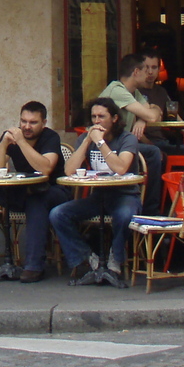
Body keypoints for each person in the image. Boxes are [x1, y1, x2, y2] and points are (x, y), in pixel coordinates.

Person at [50, 98, 145, 286]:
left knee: (125, 215)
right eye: (93, 117)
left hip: (125, 195)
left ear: (115, 118)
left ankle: (115, 259)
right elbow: (69, 171)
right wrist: (86, 141)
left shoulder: (127, 139)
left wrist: (101, 143)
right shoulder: (86, 139)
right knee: (57, 214)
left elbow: (121, 168)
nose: (97, 121)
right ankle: (90, 259)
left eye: (102, 116)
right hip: (98, 196)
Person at [0, 102, 72, 283]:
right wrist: (3, 144)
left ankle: (34, 266)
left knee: (37, 199)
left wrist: (21, 142)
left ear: (44, 123)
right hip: (27, 190)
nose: (26, 126)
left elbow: (45, 168)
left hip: (55, 190)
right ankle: (27, 194)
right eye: (23, 121)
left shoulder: (50, 137)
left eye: (33, 122)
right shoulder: (11, 137)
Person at [98, 53, 173, 211]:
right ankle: (150, 211)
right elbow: (152, 115)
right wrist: (147, 115)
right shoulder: (118, 90)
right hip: (106, 144)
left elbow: (155, 114)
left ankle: (150, 206)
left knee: (158, 153)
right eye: (145, 69)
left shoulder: (134, 92)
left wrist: (142, 119)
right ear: (136, 72)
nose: (149, 74)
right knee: (153, 153)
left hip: (122, 142)